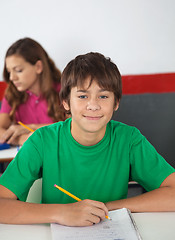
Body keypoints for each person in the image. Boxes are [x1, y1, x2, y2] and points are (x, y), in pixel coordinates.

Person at [0, 52, 175, 226]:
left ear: (116, 102)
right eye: (83, 96)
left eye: (104, 96)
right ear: (66, 102)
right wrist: (63, 213)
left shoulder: (129, 139)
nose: (93, 105)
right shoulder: (42, 140)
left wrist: (106, 208)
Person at [0, 37, 65, 146]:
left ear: (38, 67)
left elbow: (73, 128)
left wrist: (31, 128)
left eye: (18, 70)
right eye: (9, 71)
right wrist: (22, 139)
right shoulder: (12, 93)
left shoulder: (63, 91)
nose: (12, 77)